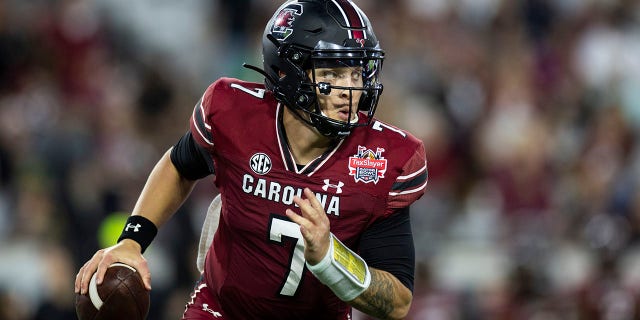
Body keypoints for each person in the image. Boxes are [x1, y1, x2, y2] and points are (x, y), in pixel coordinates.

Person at [74, 0, 428, 319]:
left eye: (356, 72)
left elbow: (397, 302)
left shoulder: (383, 158)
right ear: (289, 71)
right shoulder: (234, 112)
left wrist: (332, 257)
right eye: (333, 73)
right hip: (222, 309)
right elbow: (180, 167)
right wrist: (132, 241)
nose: (351, 89)